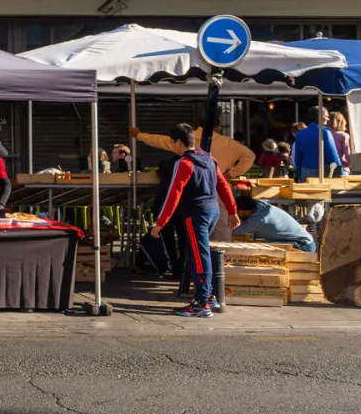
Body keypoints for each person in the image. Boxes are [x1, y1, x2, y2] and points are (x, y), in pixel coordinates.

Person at [149, 123, 240, 318]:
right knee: (201, 252)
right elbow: (223, 186)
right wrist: (232, 211)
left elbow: (173, 194)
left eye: (172, 143)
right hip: (213, 210)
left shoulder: (184, 163)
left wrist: (160, 223)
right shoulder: (208, 158)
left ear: (179, 142)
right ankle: (209, 297)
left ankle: (201, 302)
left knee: (200, 255)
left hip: (196, 212)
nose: (172, 146)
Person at [131, 123, 254, 177]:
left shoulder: (186, 139)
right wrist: (231, 174)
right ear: (217, 127)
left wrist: (139, 135)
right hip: (217, 184)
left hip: (192, 185)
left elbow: (160, 140)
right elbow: (250, 156)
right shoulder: (229, 143)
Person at [233, 194, 317, 252]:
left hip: (303, 245)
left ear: (247, 211)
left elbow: (234, 231)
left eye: (239, 213)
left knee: (260, 250)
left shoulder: (260, 219)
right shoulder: (259, 205)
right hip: (301, 241)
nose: (238, 215)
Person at [291, 110, 342, 182]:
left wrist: (299, 174)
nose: (328, 119)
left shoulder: (300, 134)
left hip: (305, 172)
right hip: (323, 172)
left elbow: (298, 158)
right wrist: (341, 174)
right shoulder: (325, 133)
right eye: (326, 116)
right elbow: (333, 156)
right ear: (320, 117)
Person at [329, 111, 353, 175]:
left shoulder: (323, 135)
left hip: (326, 168)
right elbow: (348, 155)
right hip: (342, 168)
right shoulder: (344, 136)